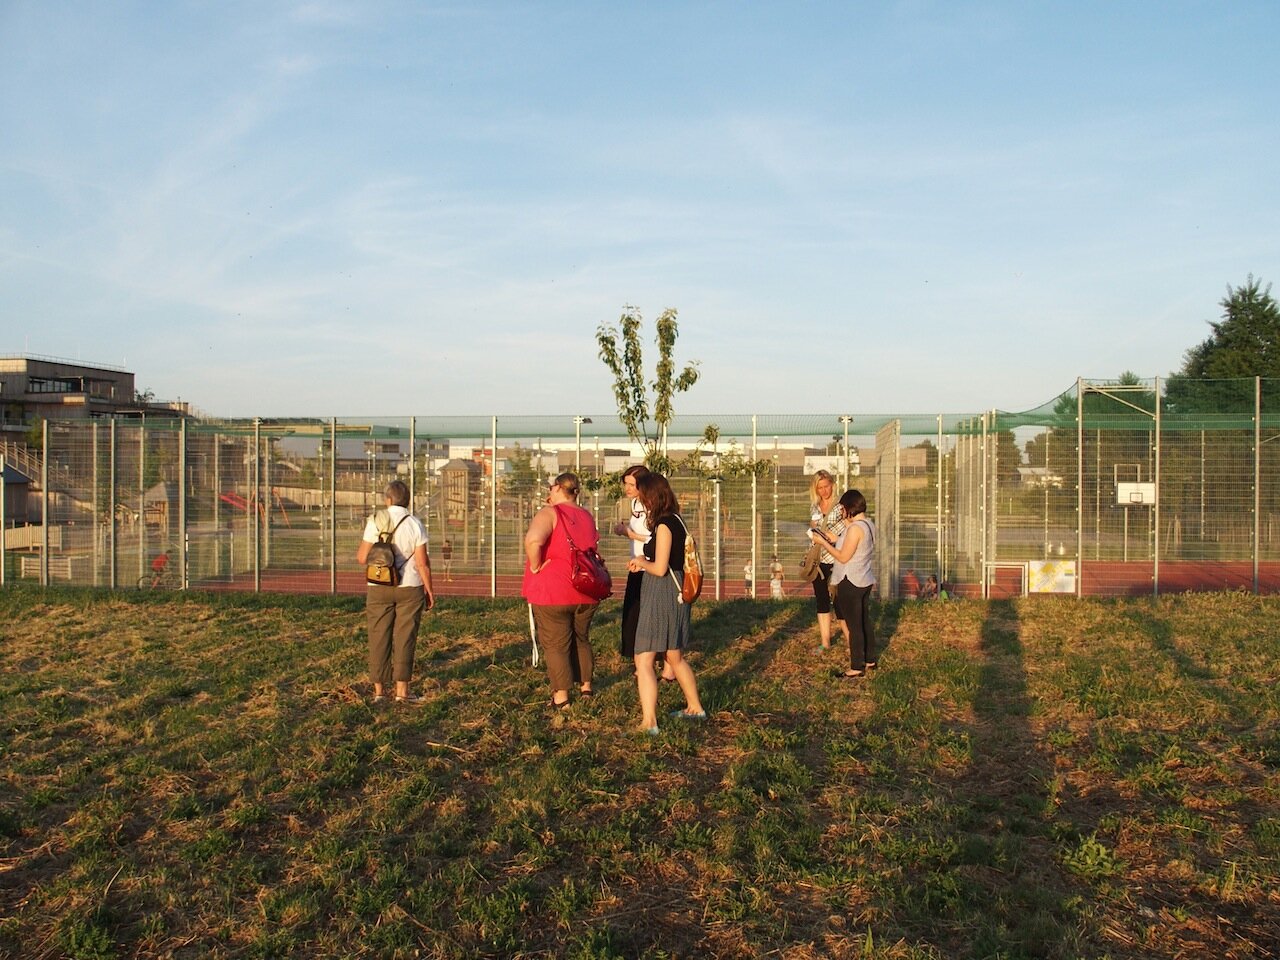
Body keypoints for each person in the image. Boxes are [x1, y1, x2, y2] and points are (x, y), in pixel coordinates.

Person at [627, 473, 706, 734]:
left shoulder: (663, 525)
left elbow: (660, 568)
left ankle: (649, 722)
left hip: (661, 593)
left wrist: (640, 563)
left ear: (651, 496)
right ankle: (695, 707)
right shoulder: (678, 520)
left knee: (644, 657)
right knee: (674, 653)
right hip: (677, 592)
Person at [523, 472, 602, 710]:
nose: (548, 492)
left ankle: (561, 697)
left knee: (556, 643)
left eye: (550, 487)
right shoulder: (587, 516)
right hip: (586, 590)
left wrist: (536, 565)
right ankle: (586, 686)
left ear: (558, 488)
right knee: (581, 638)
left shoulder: (550, 513)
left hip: (554, 591)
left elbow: (533, 540)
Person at [356, 480, 435, 704]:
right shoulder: (415, 524)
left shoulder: (374, 521)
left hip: (379, 587)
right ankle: (402, 691)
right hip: (410, 587)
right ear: (407, 500)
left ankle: (379, 691)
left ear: (387, 499)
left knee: (378, 636)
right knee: (405, 638)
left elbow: (362, 558)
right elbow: (423, 563)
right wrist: (429, 590)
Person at [613, 465, 675, 683]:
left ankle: (666, 666)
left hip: (651, 567)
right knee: (635, 616)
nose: (628, 488)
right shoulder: (634, 504)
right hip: (638, 566)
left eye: (633, 484)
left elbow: (655, 539)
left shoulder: (656, 508)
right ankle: (642, 663)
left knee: (656, 617)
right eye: (626, 484)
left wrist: (629, 534)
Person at [814, 489, 877, 679]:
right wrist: (828, 537)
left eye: (842, 509)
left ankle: (856, 666)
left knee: (854, 625)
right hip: (864, 579)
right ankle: (870, 660)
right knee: (865, 621)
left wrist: (823, 544)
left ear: (849, 508)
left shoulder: (855, 529)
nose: (841, 512)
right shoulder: (868, 524)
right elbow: (845, 542)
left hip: (851, 581)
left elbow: (843, 556)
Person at [808, 469, 850, 653]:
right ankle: (825, 642)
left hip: (838, 557)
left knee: (840, 601)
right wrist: (815, 533)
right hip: (819, 558)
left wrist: (834, 535)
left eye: (826, 486)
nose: (824, 491)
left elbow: (849, 527)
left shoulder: (841, 505)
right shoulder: (815, 507)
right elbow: (813, 528)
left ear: (833, 484)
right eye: (820, 488)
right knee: (821, 600)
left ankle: (851, 640)